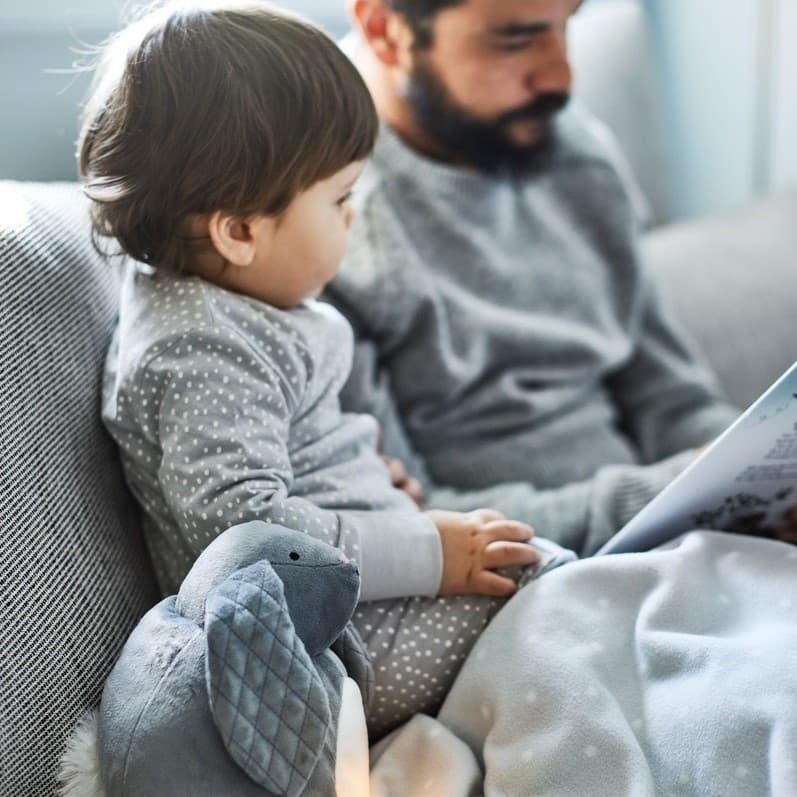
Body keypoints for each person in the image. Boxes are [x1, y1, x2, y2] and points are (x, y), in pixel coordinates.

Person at [78, 0, 547, 738]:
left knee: (562, 581)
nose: (353, 219)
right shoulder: (200, 349)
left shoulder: (229, 309)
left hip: (366, 608)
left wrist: (367, 483)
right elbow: (243, 528)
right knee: (552, 595)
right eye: (339, 198)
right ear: (239, 231)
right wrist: (427, 552)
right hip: (340, 643)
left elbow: (282, 460)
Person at [324, 0, 741, 556]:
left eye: (566, 25)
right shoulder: (321, 227)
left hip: (673, 535)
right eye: (514, 41)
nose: (561, 78)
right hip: (516, 581)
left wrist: (749, 470)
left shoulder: (573, 149)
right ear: (384, 30)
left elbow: (673, 398)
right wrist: (673, 496)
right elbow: (408, 523)